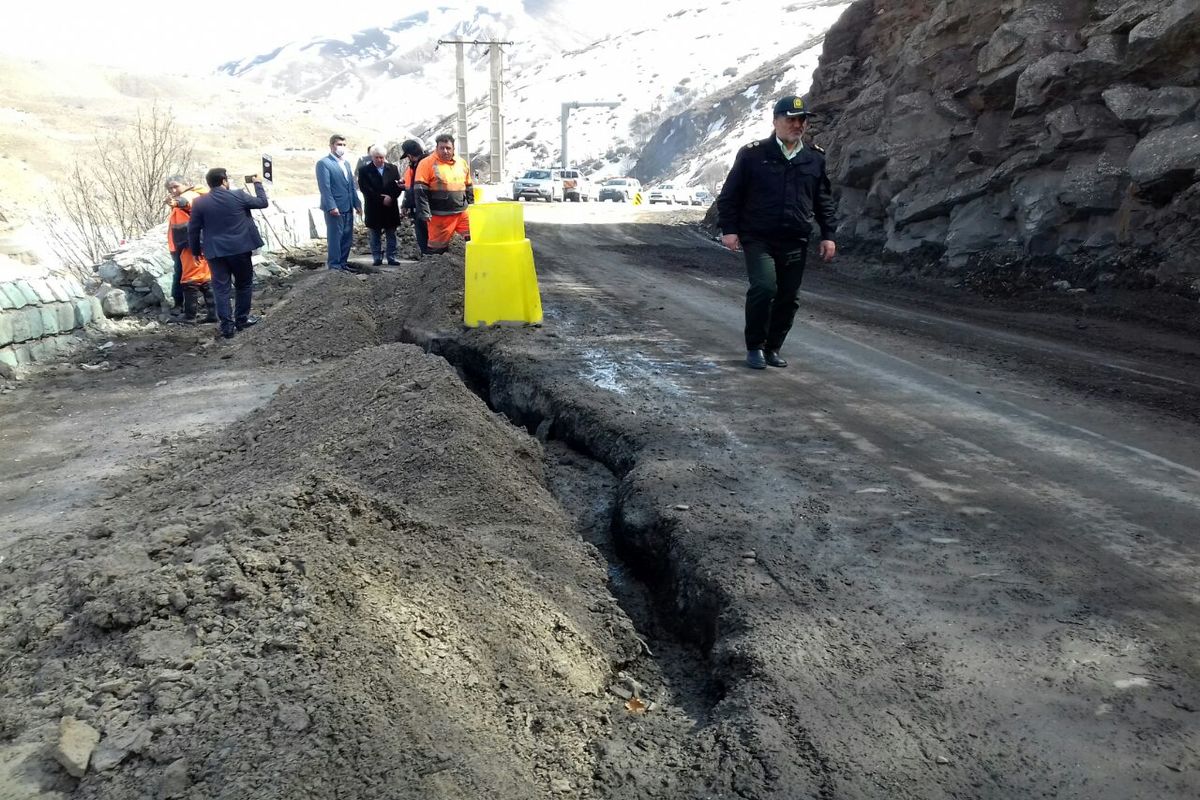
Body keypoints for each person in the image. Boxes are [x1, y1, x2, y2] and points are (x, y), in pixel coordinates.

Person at [717, 95, 837, 370]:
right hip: (758, 236)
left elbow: (823, 201)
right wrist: (729, 229)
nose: (797, 125)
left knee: (789, 297)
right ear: (775, 121)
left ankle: (773, 347)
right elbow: (730, 196)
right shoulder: (753, 154)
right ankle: (755, 347)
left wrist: (829, 234)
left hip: (795, 238)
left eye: (801, 119)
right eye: (790, 119)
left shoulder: (814, 158)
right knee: (764, 287)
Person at [187, 168, 268, 340]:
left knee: (221, 289)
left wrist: (195, 251)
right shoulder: (238, 195)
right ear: (224, 181)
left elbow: (193, 229)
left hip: (215, 252)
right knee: (244, 284)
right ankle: (242, 319)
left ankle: (226, 327)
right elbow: (262, 202)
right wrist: (258, 183)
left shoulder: (199, 202)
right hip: (240, 249)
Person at [164, 176, 216, 323]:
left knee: (191, 280)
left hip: (191, 244)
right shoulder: (197, 195)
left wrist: (174, 202)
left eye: (176, 186)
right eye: (170, 189)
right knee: (205, 278)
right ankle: (213, 314)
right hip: (195, 243)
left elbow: (185, 202)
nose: (173, 190)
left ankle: (190, 316)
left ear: (186, 184)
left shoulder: (190, 195)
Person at [413, 133, 473, 254]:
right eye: (442, 148)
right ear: (436, 148)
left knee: (473, 240)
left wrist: (472, 205)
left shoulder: (461, 163)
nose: (445, 151)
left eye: (448, 148)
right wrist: (424, 211)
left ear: (453, 149)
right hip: (439, 216)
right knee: (436, 249)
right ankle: (434, 270)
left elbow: (468, 186)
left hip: (462, 212)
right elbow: (420, 190)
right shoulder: (426, 163)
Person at [316, 134, 362, 271]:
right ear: (331, 146)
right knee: (335, 237)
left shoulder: (346, 163)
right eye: (338, 144)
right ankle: (334, 265)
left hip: (348, 206)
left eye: (343, 145)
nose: (341, 147)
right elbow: (325, 187)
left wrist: (357, 203)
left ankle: (343, 263)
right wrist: (331, 206)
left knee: (347, 236)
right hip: (335, 208)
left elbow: (351, 186)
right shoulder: (324, 163)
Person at [356, 144, 402, 266]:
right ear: (372, 157)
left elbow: (397, 186)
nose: (379, 160)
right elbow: (365, 189)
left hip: (390, 207)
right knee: (375, 234)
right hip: (374, 207)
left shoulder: (392, 169)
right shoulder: (364, 171)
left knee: (391, 234)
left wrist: (391, 197)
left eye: (381, 157)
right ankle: (377, 257)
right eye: (376, 157)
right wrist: (382, 199)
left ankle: (391, 257)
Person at [399, 139, 430, 256]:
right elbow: (411, 187)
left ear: (410, 155)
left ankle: (429, 261)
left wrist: (406, 204)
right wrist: (405, 204)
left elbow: (416, 189)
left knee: (425, 238)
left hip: (423, 209)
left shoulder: (421, 166)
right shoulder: (419, 165)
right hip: (422, 208)